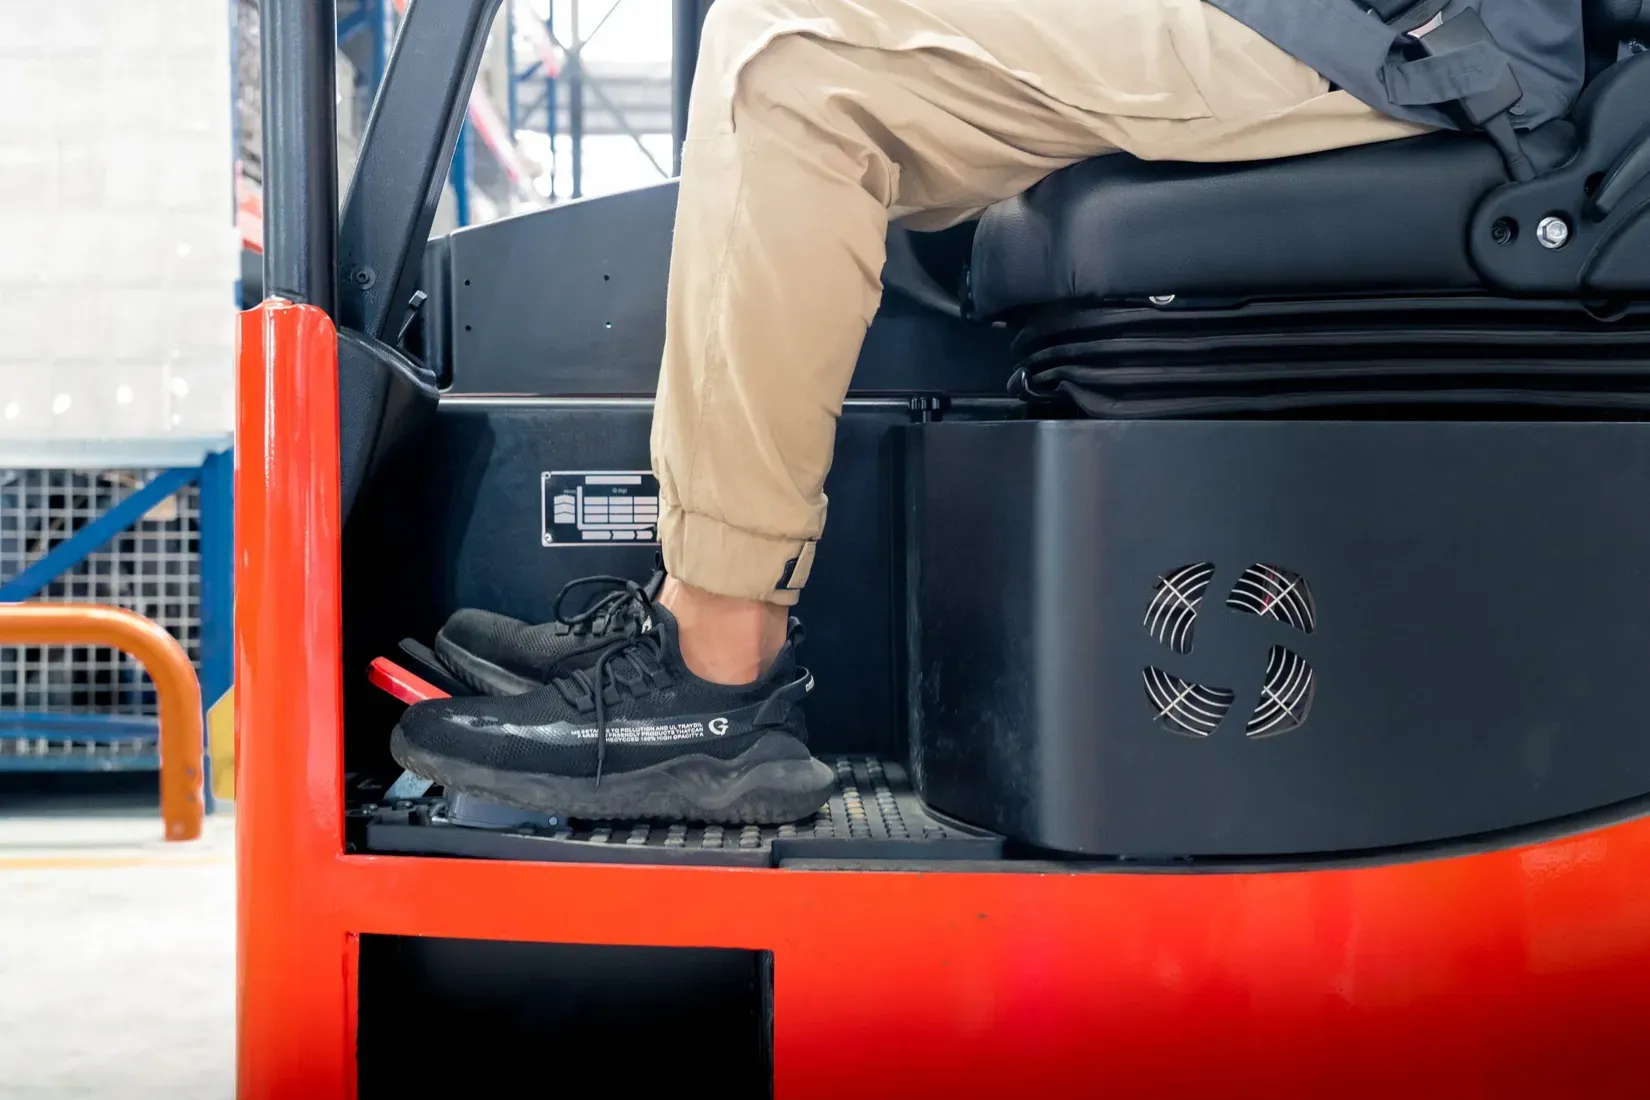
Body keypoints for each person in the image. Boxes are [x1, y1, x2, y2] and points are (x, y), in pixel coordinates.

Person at [390, 0, 1585, 823]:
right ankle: (691, 615)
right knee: (781, 40)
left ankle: (717, 666)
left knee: (788, 61)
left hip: (1402, 32)